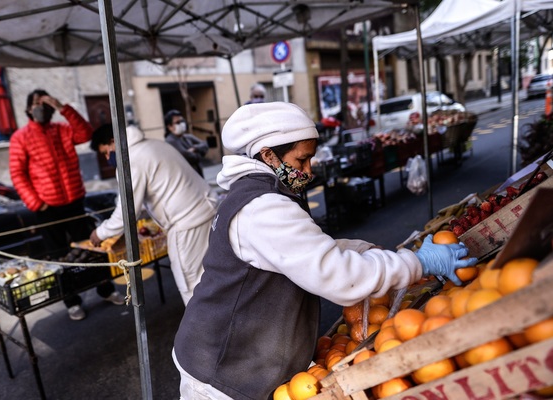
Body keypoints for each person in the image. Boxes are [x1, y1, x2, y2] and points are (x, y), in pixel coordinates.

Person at [172, 102, 477, 400]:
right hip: (219, 373)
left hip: (230, 357)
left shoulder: (259, 194)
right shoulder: (262, 208)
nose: (309, 170)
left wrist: (362, 249)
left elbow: (300, 248)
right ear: (268, 155)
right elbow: (340, 277)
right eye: (301, 160)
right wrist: (418, 263)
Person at [9, 89, 124, 322]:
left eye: (45, 103)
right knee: (59, 256)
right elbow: (17, 174)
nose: (42, 108)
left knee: (91, 248)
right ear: (28, 108)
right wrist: (35, 203)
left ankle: (105, 289)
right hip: (46, 209)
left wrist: (62, 107)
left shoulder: (62, 130)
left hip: (74, 202)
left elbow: (85, 134)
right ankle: (71, 301)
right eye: (37, 104)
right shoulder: (20, 138)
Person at [88, 123, 218, 305]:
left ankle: (205, 331)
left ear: (113, 141)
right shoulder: (154, 145)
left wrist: (100, 233)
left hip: (187, 223)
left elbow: (127, 212)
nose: (108, 157)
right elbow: (146, 196)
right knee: (211, 275)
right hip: (207, 211)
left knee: (190, 284)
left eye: (106, 151)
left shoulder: (130, 160)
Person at [164, 109, 209, 176]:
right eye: (177, 122)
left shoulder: (187, 136)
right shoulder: (170, 141)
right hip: (186, 178)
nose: (181, 124)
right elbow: (189, 157)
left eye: (182, 121)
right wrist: (200, 153)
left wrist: (195, 149)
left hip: (198, 174)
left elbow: (205, 144)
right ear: (170, 127)